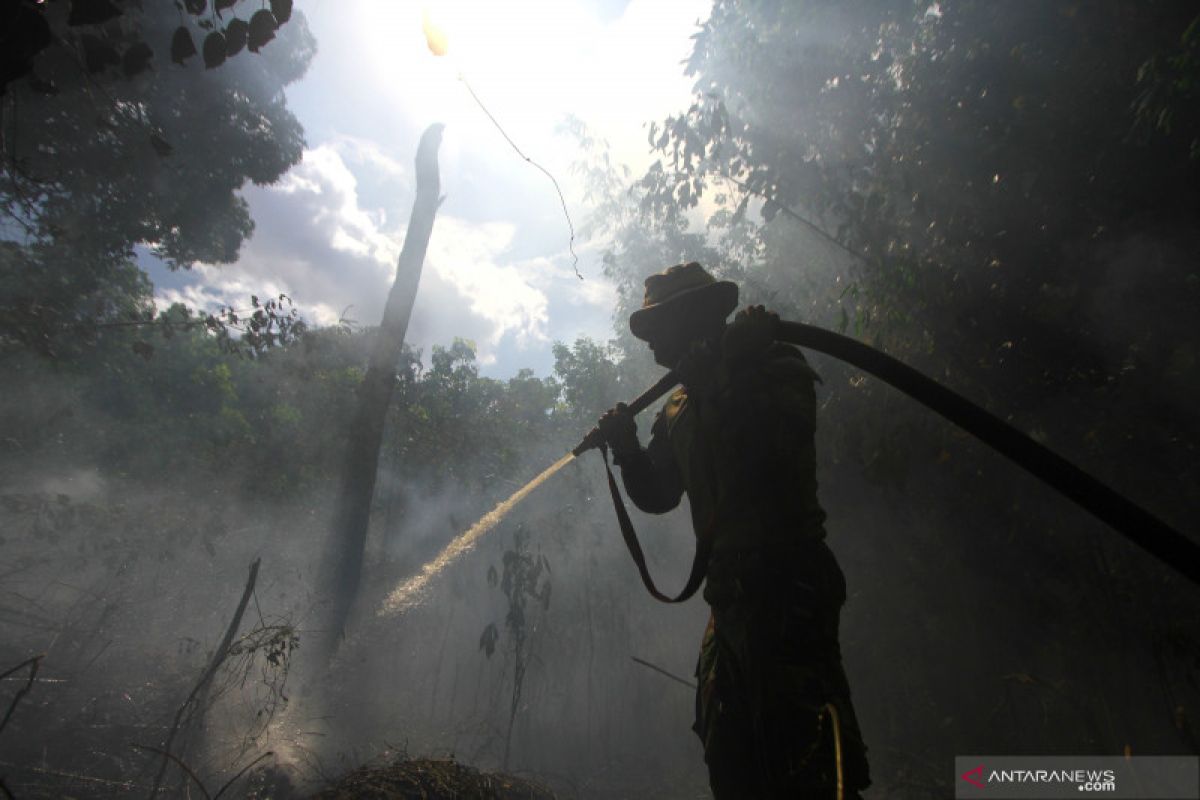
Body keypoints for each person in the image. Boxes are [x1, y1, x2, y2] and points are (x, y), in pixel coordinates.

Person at [596, 262, 871, 798]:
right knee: (731, 754)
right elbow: (660, 495)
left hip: (789, 589)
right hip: (728, 604)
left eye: (660, 333)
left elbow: (769, 456)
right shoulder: (677, 406)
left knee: (808, 758)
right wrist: (627, 448)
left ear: (698, 319)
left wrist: (717, 385)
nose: (653, 351)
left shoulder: (771, 363)